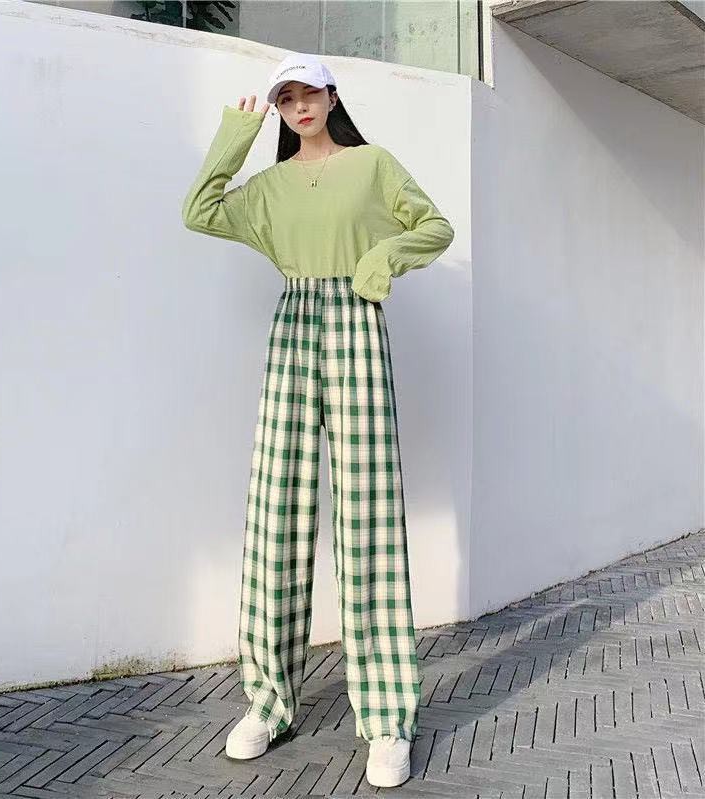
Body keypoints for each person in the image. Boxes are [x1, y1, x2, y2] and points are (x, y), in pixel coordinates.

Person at [181, 51, 454, 789]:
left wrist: (382, 260)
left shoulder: (372, 164)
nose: (300, 105)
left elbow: (434, 226)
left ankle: (387, 718)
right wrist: (233, 137)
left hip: (357, 324)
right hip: (294, 323)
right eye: (286, 97)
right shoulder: (268, 187)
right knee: (276, 513)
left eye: (310, 92)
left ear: (333, 97)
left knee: (368, 515)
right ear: (277, 109)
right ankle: (268, 702)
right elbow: (199, 210)